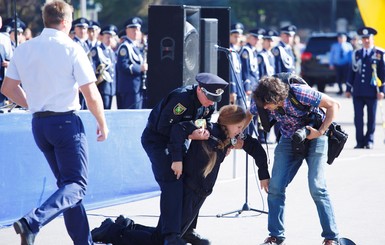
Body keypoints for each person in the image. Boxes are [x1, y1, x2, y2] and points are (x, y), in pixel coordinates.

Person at [0, 1, 109, 244]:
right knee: (76, 186)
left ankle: (84, 242)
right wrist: (101, 121)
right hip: (66, 124)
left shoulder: (25, 48)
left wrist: (33, 103)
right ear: (67, 21)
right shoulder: (71, 48)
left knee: (68, 189)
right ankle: (33, 221)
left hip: (39, 125)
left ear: (45, 19)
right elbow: (91, 93)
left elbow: (7, 88)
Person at [91, 105, 270, 245]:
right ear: (227, 123)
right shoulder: (206, 127)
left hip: (200, 194)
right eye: (238, 126)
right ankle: (112, 231)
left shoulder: (231, 138)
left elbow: (256, 148)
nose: (240, 130)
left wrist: (263, 173)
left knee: (165, 233)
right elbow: (179, 129)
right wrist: (178, 157)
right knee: (161, 239)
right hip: (186, 191)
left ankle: (125, 225)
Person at [252, 74, 341, 245]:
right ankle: (275, 236)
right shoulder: (261, 100)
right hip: (288, 138)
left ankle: (331, 238)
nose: (265, 108)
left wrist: (321, 131)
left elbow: (333, 105)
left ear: (275, 98)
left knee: (317, 187)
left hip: (315, 136)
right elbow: (248, 114)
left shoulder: (300, 93)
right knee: (275, 187)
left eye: (267, 104)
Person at [141, 73, 228, 245]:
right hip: (158, 141)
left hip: (180, 140)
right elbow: (164, 128)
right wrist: (177, 157)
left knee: (191, 181)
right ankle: (171, 235)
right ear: (200, 90)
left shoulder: (208, 104)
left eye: (215, 99)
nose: (212, 103)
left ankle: (187, 229)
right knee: (172, 181)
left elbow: (204, 123)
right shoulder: (181, 100)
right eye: (210, 97)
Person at [346, 27, 385, 149]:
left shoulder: (379, 53)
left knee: (371, 117)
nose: (366, 40)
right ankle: (359, 141)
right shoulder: (357, 54)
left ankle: (369, 140)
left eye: (368, 38)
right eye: (364, 39)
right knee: (358, 118)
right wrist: (348, 89)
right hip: (358, 91)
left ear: (372, 39)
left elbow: (383, 74)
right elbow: (352, 72)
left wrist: (382, 91)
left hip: (372, 91)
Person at [116, 17, 148, 109]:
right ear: (127, 31)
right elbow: (123, 66)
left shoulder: (136, 47)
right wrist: (140, 68)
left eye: (137, 29)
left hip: (137, 88)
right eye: (132, 29)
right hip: (129, 88)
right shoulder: (125, 47)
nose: (135, 32)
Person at [90, 24, 118, 109]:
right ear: (102, 37)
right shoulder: (98, 50)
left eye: (111, 37)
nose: (109, 39)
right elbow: (94, 67)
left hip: (110, 87)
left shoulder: (111, 52)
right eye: (107, 37)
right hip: (102, 87)